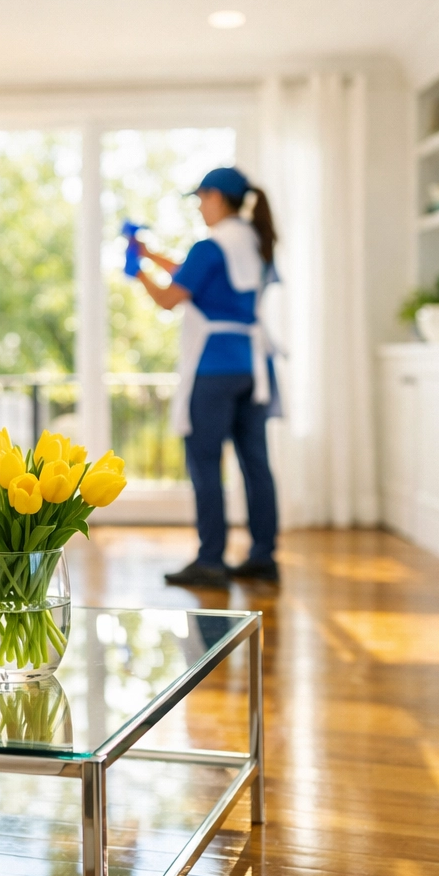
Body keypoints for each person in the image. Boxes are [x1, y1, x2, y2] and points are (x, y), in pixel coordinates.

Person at [132, 166, 281, 589]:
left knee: (205, 463)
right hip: (254, 369)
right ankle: (263, 557)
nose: (199, 207)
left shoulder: (210, 246)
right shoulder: (254, 241)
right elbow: (200, 277)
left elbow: (168, 298)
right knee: (257, 464)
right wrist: (152, 255)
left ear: (217, 197)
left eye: (201, 199)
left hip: (214, 370)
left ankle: (211, 560)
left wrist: (135, 269)